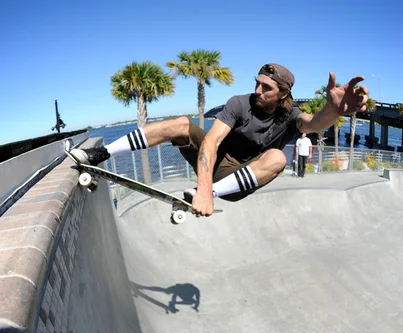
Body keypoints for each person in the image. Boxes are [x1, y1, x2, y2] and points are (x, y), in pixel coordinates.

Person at [71, 63, 368, 217]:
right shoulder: (239, 103)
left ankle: (211, 191)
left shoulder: (290, 116)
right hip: (212, 162)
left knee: (278, 158)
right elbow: (211, 143)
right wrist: (201, 188)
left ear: (283, 94)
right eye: (256, 83)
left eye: (266, 87)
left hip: (238, 179)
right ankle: (103, 153)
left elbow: (313, 124)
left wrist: (331, 109)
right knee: (181, 124)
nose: (257, 90)